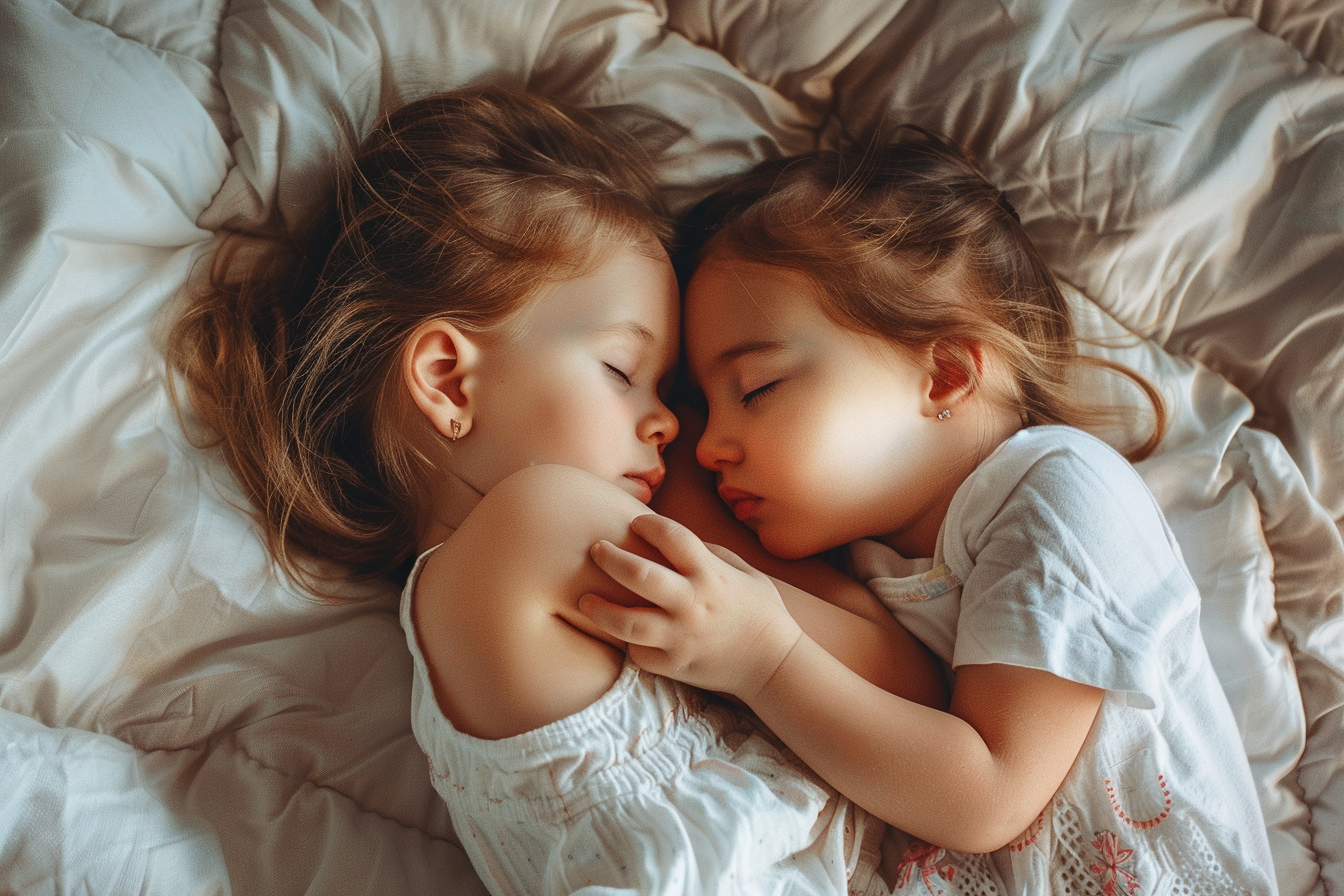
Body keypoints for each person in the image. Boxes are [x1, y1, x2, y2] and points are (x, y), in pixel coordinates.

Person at [166, 86, 947, 894]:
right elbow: (909, 679)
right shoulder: (541, 523)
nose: (673, 428)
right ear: (448, 381)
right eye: (623, 372)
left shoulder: (493, 579)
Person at [578, 127, 1279, 893]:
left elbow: (989, 796)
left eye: (754, 390)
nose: (710, 446)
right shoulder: (866, 561)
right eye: (704, 406)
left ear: (943, 373)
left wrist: (763, 658)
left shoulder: (1057, 488)